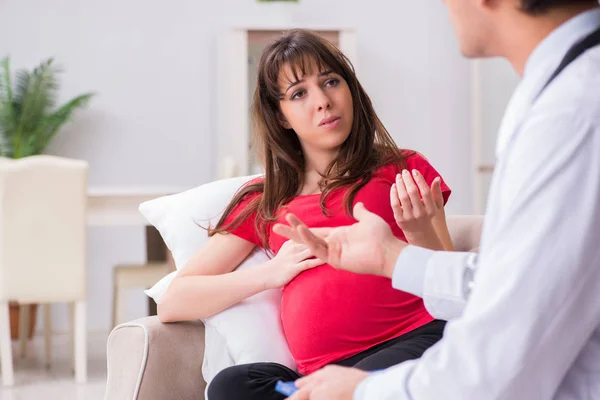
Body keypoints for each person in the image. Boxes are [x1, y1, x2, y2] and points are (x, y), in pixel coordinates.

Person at [274, 1, 600, 399]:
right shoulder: (563, 93)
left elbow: (498, 364)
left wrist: (363, 390)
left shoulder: (573, 112)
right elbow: (516, 283)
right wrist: (391, 257)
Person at [157, 29, 456, 399]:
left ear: (350, 89)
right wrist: (271, 274)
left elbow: (454, 289)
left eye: (331, 82)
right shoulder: (265, 200)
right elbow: (175, 300)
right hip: (321, 375)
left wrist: (420, 234)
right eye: (299, 93)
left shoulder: (404, 168)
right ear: (280, 116)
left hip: (418, 339)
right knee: (231, 386)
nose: (323, 101)